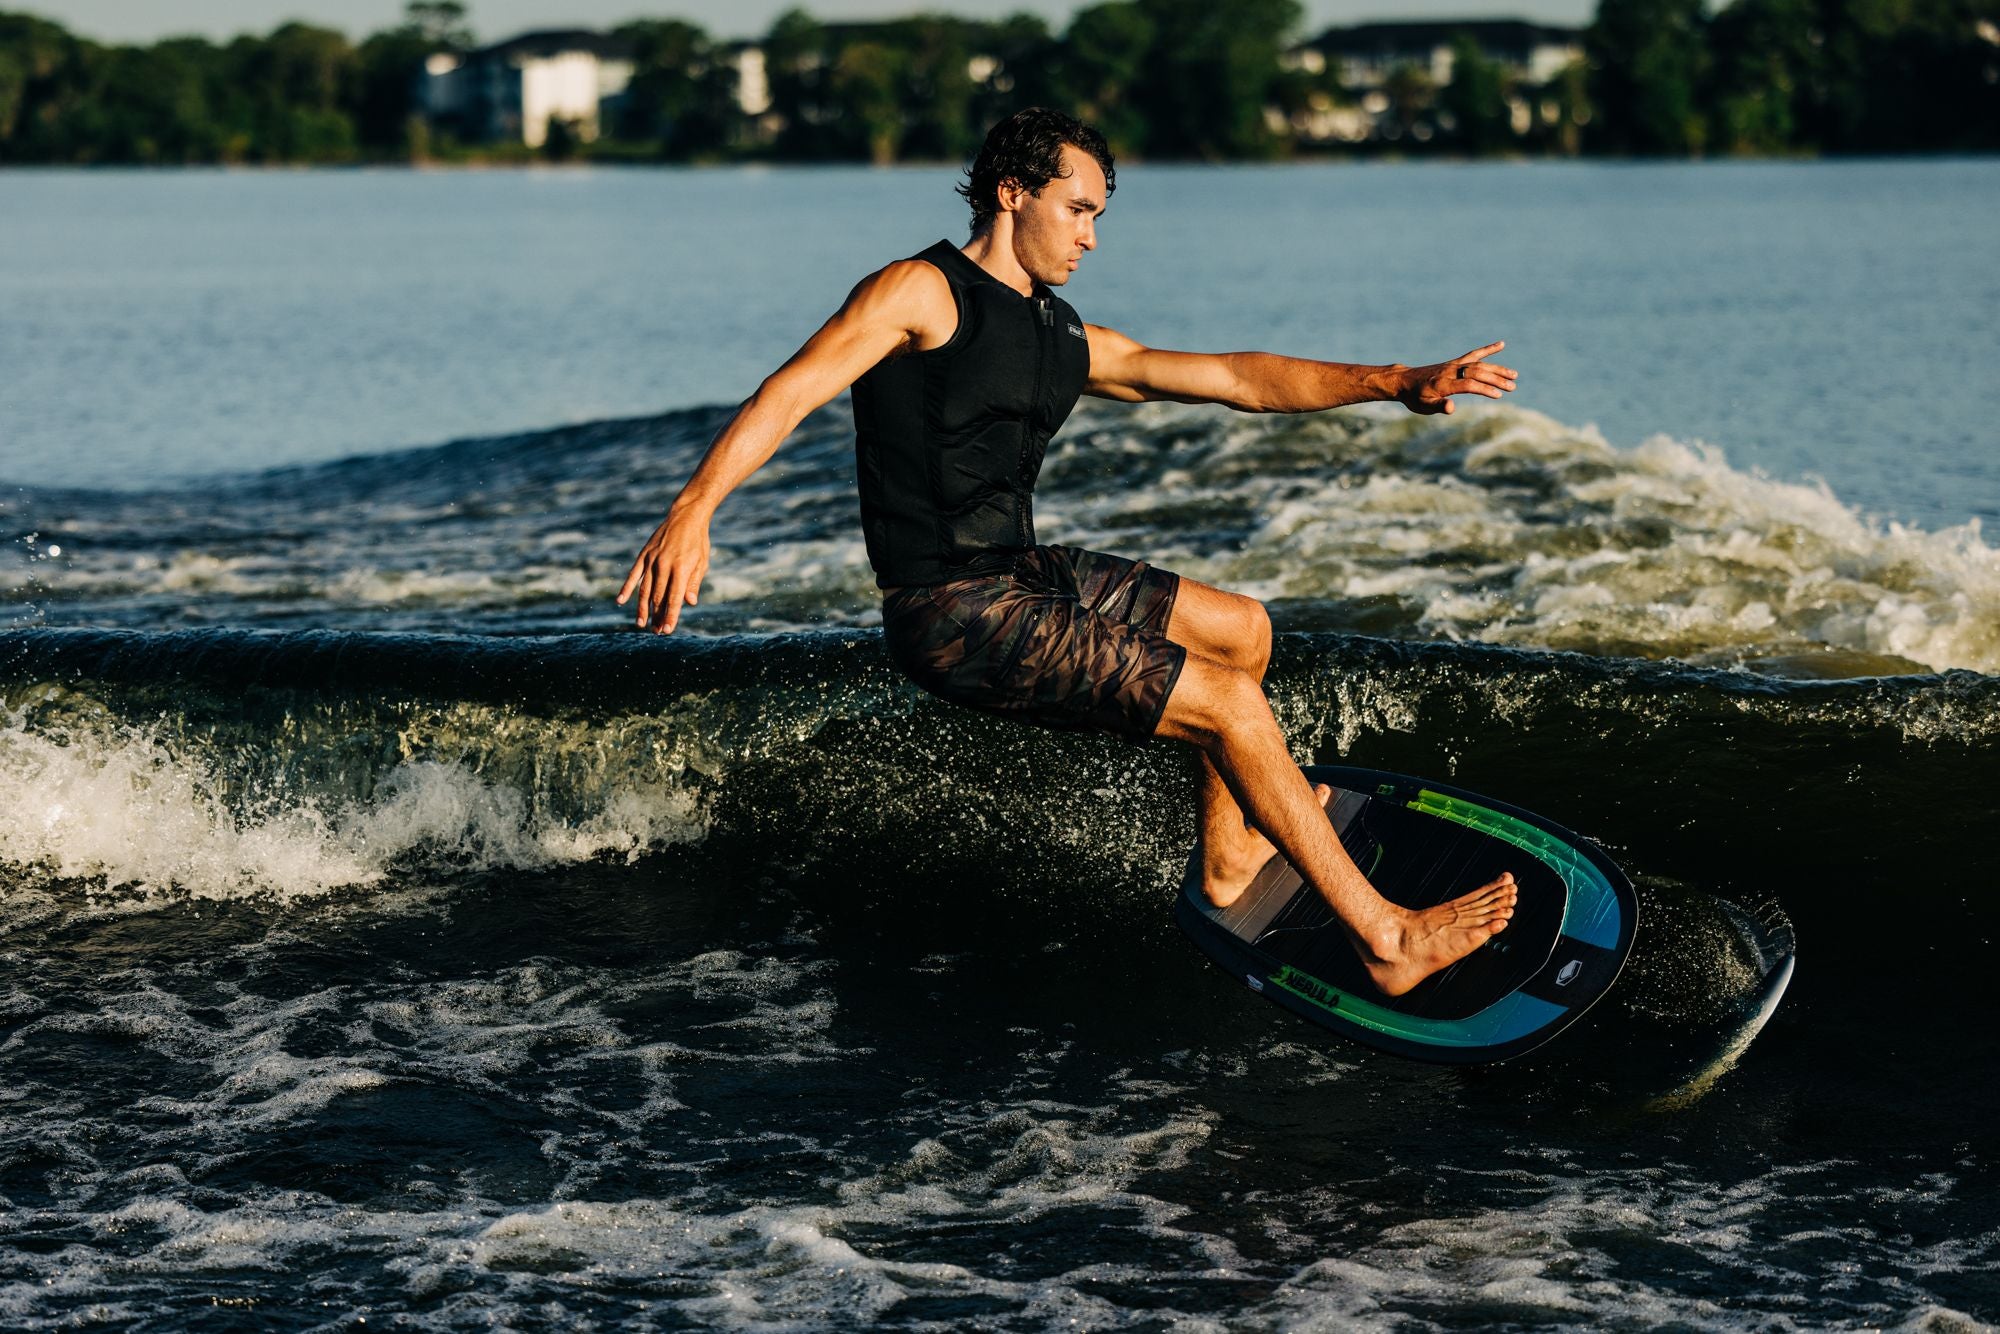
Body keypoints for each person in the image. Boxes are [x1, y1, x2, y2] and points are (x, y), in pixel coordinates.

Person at [619, 108, 1520, 997]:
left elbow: (1233, 378)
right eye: (1078, 209)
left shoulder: (1061, 332)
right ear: (1013, 192)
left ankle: (1230, 860)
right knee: (1231, 705)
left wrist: (1395, 381)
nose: (1091, 236)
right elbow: (789, 391)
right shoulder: (918, 292)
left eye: (1097, 215)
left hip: (1020, 574)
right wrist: (695, 508)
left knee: (1241, 631)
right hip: (950, 607)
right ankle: (1386, 936)